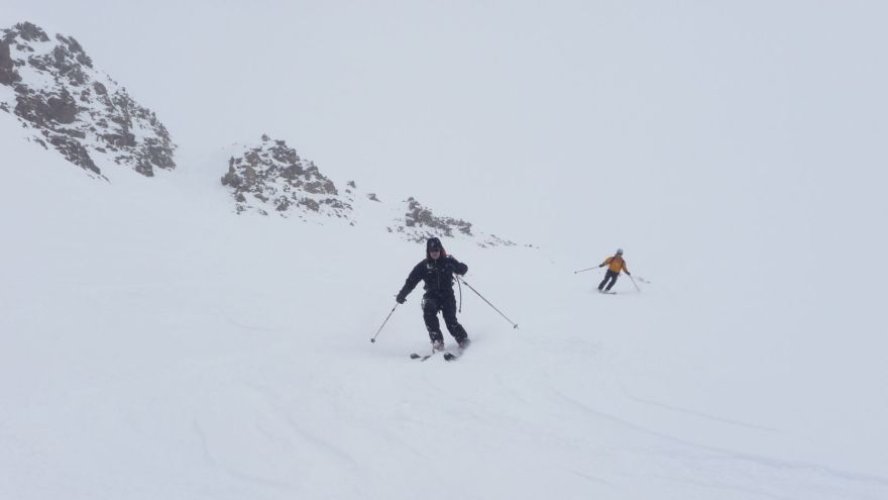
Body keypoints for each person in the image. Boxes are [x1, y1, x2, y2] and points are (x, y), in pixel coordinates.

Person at [396, 237, 470, 351]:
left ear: (440, 250)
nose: (434, 253)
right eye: (432, 251)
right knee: (428, 313)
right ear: (428, 252)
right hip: (431, 296)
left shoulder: (448, 260)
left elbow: (463, 269)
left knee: (450, 321)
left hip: (447, 295)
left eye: (436, 250)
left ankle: (463, 339)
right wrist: (402, 295)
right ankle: (437, 340)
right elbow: (411, 281)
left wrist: (458, 267)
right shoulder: (423, 266)